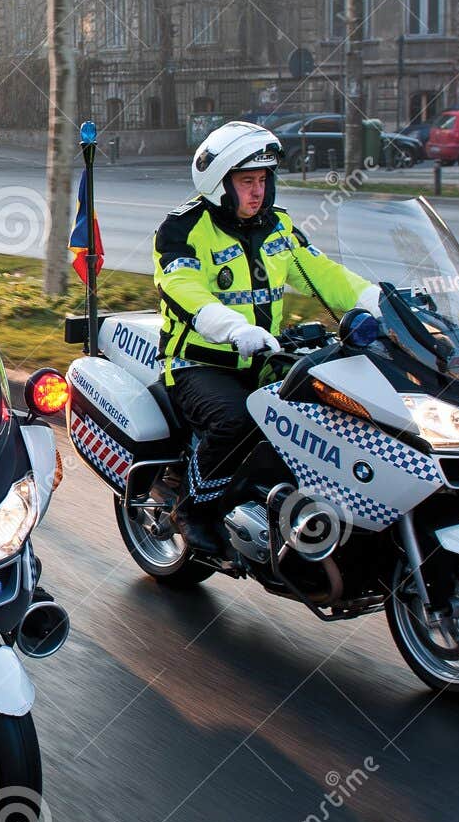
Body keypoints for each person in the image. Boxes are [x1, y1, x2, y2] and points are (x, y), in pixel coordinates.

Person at [152, 120, 380, 553]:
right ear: (220, 184)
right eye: (246, 181)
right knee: (235, 420)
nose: (257, 192)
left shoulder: (278, 227)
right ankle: (194, 510)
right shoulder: (182, 229)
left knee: (327, 416)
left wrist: (376, 300)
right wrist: (234, 329)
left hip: (264, 360)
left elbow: (323, 274)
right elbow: (184, 288)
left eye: (262, 180)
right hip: (198, 364)